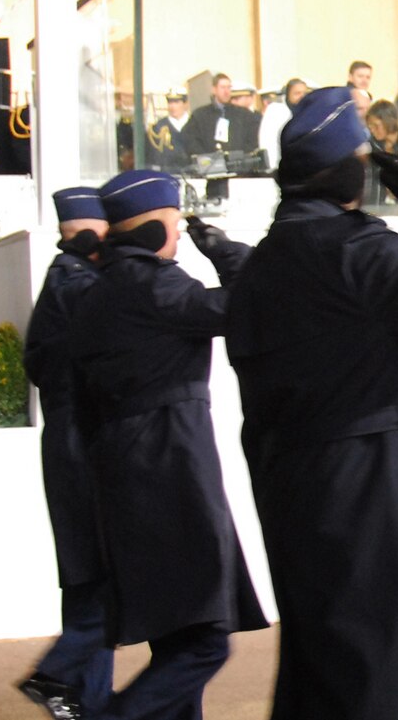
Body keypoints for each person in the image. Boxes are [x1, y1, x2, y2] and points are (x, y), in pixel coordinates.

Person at [223, 86, 398, 720]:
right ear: (356, 171)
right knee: (396, 663)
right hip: (379, 487)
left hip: (294, 491)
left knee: (326, 661)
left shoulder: (264, 269)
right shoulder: (355, 252)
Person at [70, 169, 267, 720]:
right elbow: (252, 306)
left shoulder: (100, 290)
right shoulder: (155, 285)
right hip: (171, 469)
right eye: (176, 226)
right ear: (157, 228)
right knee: (205, 639)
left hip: (127, 470)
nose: (179, 237)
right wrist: (225, 252)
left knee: (178, 635)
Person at [18, 188, 114, 720]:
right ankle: (60, 674)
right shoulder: (80, 286)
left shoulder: (63, 282)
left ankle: (87, 700)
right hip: (85, 446)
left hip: (67, 442)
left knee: (86, 579)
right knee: (99, 579)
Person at [181, 73, 259, 200]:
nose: (226, 91)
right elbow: (190, 140)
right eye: (223, 87)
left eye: (229, 87)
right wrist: (206, 159)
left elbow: (252, 141)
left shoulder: (243, 115)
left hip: (239, 176)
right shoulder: (201, 115)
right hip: (211, 176)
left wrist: (240, 158)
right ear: (214, 89)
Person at [259, 77, 311, 170]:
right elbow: (268, 141)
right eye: (297, 93)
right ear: (288, 94)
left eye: (304, 93)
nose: (302, 96)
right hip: (280, 166)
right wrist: (273, 167)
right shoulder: (275, 110)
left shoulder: (309, 110)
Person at [145, 88, 190, 172]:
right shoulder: (158, 127)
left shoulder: (194, 124)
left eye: (176, 102)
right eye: (170, 102)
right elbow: (153, 157)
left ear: (185, 104)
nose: (172, 106)